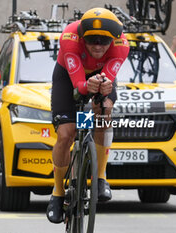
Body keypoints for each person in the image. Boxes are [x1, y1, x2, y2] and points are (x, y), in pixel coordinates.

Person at [46, 8, 129, 224]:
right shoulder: (70, 39)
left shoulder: (122, 45)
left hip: (100, 77)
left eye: (104, 41)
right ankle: (57, 193)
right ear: (83, 37)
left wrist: (102, 90)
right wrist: (86, 88)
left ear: (113, 39)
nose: (98, 45)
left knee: (104, 111)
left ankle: (100, 177)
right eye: (92, 40)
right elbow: (79, 87)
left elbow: (106, 81)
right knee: (66, 134)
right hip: (69, 77)